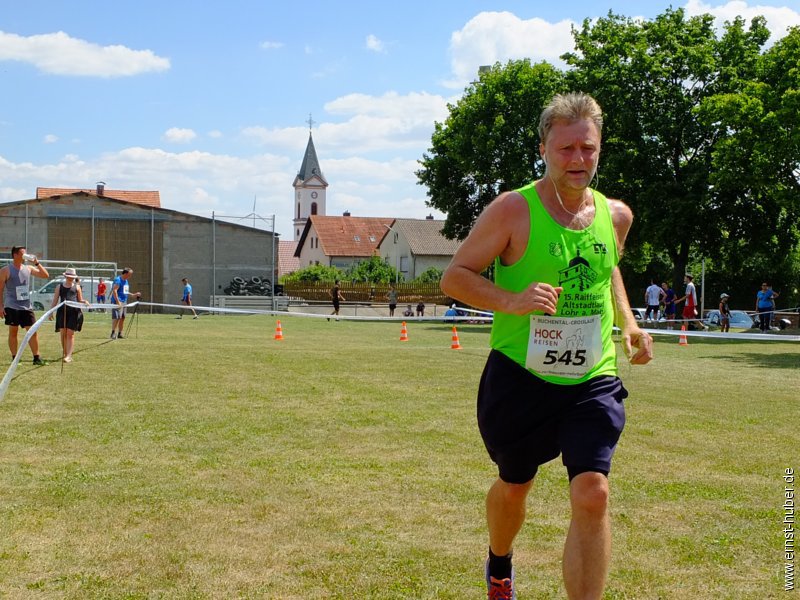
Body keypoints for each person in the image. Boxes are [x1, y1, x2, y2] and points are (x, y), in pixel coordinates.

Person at [441, 92, 652, 600]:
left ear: (600, 148)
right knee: (515, 484)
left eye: (588, 148)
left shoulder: (615, 215)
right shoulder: (514, 209)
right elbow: (454, 277)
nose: (578, 160)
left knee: (593, 492)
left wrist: (628, 323)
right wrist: (513, 300)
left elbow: (607, 271)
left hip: (591, 375)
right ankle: (499, 562)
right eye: (565, 149)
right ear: (543, 149)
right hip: (521, 375)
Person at [0, 246, 50, 365]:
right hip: (11, 305)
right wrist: (0, 306)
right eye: (22, 253)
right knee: (13, 331)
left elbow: (45, 275)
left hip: (26, 305)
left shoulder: (28, 268)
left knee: (32, 331)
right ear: (15, 255)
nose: (25, 255)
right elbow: (0, 289)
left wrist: (37, 262)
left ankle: (36, 358)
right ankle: (15, 359)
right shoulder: (6, 270)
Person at [48, 268, 90, 362]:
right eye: (69, 276)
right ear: (65, 276)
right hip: (62, 312)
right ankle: (65, 353)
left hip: (74, 312)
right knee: (63, 333)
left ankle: (69, 356)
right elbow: (55, 300)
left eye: (72, 277)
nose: (71, 278)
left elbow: (80, 300)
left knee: (70, 333)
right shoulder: (59, 287)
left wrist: (85, 301)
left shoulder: (77, 287)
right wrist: (51, 312)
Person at [110, 268, 141, 339]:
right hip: (117, 301)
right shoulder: (118, 280)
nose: (130, 276)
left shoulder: (126, 281)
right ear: (125, 273)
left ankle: (120, 333)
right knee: (117, 317)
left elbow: (125, 292)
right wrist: (118, 302)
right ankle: (113, 333)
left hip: (124, 302)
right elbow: (114, 291)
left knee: (122, 317)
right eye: (129, 274)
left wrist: (133, 295)